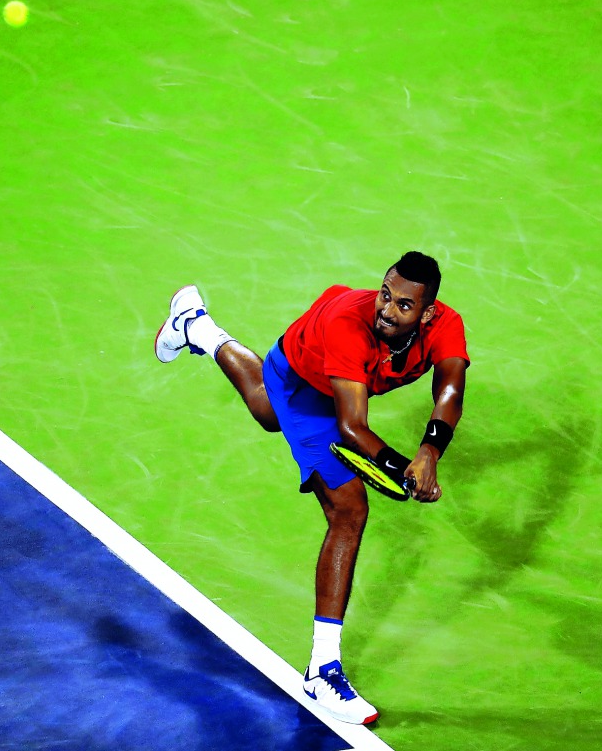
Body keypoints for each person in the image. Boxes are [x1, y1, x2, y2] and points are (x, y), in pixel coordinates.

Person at [154, 251, 469, 725]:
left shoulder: (446, 324)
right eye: (385, 294)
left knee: (264, 409)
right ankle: (322, 671)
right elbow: (351, 426)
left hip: (321, 362)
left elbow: (450, 389)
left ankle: (196, 325)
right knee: (348, 508)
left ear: (428, 313)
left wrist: (429, 451)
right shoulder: (351, 326)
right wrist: (402, 467)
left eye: (404, 305)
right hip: (308, 379)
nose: (387, 308)